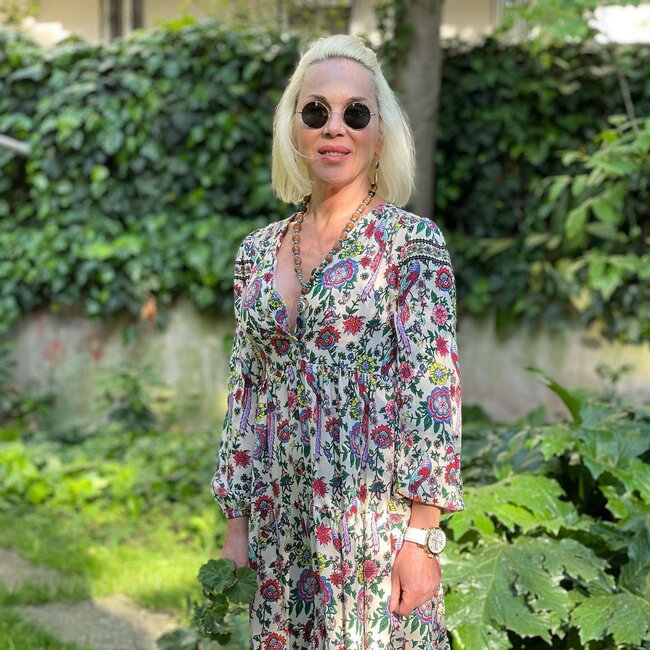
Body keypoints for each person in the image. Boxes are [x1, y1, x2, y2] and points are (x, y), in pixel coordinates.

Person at [211, 33, 464, 650]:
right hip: (278, 523)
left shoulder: (411, 244)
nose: (335, 128)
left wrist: (421, 538)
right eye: (316, 111)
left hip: (372, 527)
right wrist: (236, 525)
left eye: (355, 113)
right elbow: (245, 394)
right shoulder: (256, 252)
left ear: (380, 133)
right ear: (293, 129)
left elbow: (433, 396)